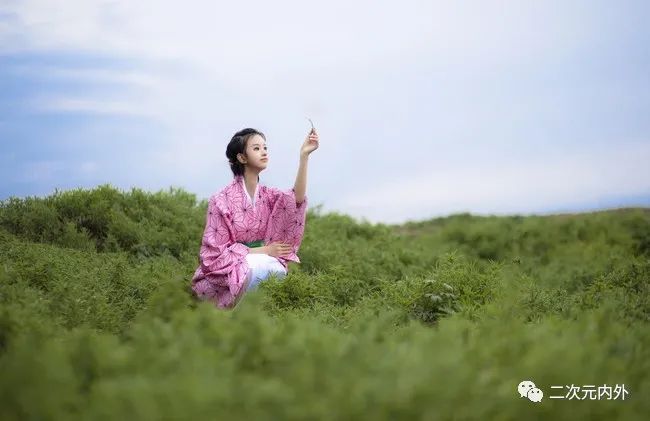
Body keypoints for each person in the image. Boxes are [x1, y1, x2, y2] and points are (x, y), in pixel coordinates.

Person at [191, 126, 319, 309]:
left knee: (275, 267)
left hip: (259, 263)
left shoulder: (268, 195)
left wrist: (304, 156)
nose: (264, 152)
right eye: (257, 148)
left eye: (265, 147)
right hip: (222, 278)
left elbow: (295, 200)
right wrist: (264, 251)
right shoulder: (220, 200)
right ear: (242, 157)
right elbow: (214, 256)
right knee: (255, 267)